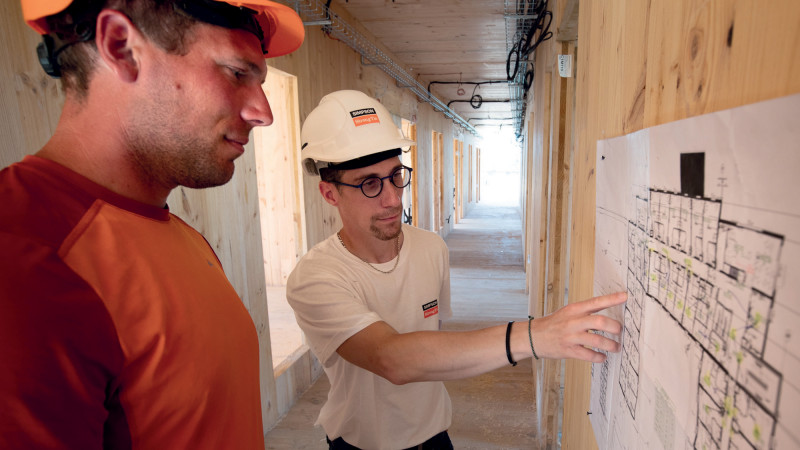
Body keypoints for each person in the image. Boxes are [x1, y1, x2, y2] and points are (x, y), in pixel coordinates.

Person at [0, 0, 304, 448]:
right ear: (121, 48)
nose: (263, 112)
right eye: (237, 73)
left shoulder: (174, 234)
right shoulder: (26, 265)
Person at [287, 89, 627, 450]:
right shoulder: (315, 278)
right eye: (370, 184)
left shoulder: (431, 248)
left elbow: (435, 342)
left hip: (435, 436)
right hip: (361, 443)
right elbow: (391, 359)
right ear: (329, 194)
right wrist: (532, 336)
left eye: (395, 175)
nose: (392, 198)